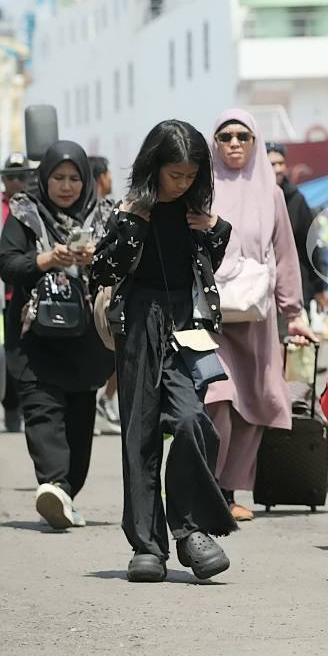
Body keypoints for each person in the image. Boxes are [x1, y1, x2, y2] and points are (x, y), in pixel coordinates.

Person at [91, 120, 238, 582]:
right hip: (138, 325)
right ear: (154, 168)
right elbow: (101, 269)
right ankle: (147, 546)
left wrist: (216, 227)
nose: (183, 183)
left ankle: (191, 530)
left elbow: (209, 263)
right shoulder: (130, 210)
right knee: (140, 435)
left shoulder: (197, 212)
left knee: (194, 420)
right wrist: (132, 222)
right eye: (175, 174)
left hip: (185, 328)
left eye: (191, 175)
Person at [206, 110, 316, 523]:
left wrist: (295, 314)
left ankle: (228, 490)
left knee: (252, 403)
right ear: (213, 141)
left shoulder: (269, 191)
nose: (234, 143)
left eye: (243, 136)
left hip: (255, 315)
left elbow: (285, 253)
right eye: (226, 135)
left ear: (255, 142)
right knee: (217, 399)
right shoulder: (201, 188)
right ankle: (206, 485)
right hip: (210, 315)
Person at [0, 141, 115, 530]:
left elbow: (126, 265)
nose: (66, 186)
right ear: (43, 179)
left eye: (74, 179)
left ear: (86, 181)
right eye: (58, 178)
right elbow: (7, 264)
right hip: (35, 340)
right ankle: (53, 484)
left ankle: (64, 491)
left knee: (80, 424)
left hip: (85, 345)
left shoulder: (105, 216)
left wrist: (95, 257)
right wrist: (44, 259)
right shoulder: (24, 215)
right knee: (42, 412)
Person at [266, 143, 328, 320]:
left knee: (296, 345)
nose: (278, 169)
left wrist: (319, 287)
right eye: (272, 164)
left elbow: (309, 245)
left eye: (281, 163)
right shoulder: (252, 198)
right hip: (261, 290)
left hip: (294, 287)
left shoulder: (296, 200)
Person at [89, 155, 122, 435]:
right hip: (97, 297)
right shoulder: (100, 210)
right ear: (101, 177)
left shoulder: (111, 208)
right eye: (109, 174)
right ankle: (96, 404)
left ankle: (105, 401)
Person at [2, 152, 31, 433]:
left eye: (22, 176)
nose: (16, 182)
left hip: (29, 298)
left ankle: (23, 406)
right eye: (11, 176)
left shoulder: (36, 207)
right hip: (4, 298)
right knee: (7, 354)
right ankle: (11, 405)